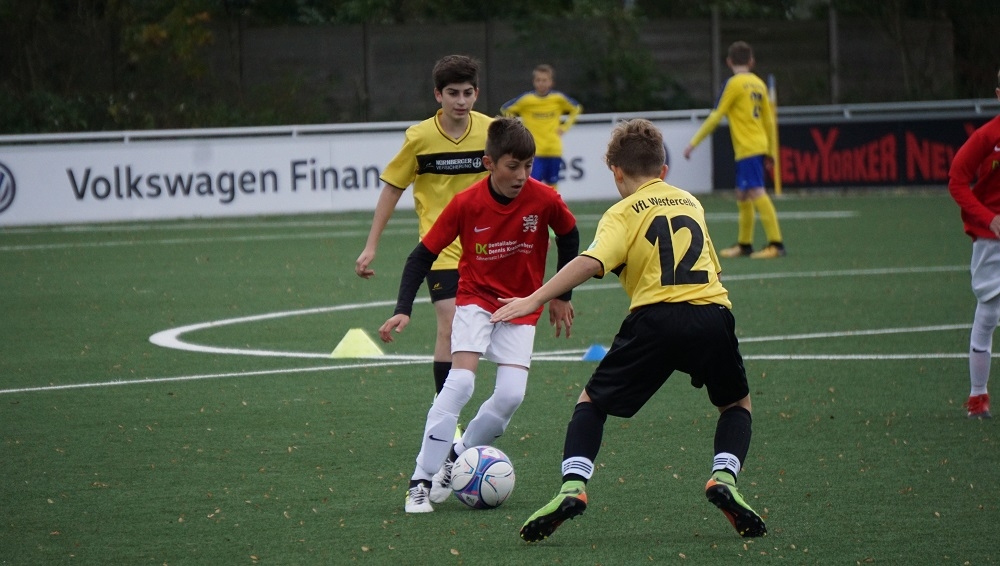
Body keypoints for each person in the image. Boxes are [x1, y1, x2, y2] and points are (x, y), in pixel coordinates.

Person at [492, 118, 767, 541]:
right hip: (712, 314)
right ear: (663, 170)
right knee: (736, 403)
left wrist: (534, 298)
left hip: (655, 320)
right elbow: (712, 268)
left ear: (616, 172)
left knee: (592, 403)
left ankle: (572, 487)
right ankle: (725, 477)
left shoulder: (621, 212)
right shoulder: (690, 201)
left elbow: (591, 261)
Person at [379, 117, 581, 513]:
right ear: (489, 163)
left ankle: (455, 457)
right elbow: (422, 255)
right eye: (512, 166)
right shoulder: (467, 203)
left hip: (522, 307)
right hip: (476, 300)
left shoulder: (544, 198)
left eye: (528, 166)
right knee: (460, 384)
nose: (521, 175)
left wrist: (561, 294)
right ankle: (420, 480)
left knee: (510, 396)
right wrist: (403, 309)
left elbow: (569, 235)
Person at [355, 55, 492, 398]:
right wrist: (371, 245)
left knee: (485, 329)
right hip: (440, 248)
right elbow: (392, 189)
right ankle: (445, 414)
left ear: (476, 93)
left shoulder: (493, 132)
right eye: (452, 93)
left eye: (467, 93)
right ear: (438, 95)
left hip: (489, 247)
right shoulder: (419, 137)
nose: (461, 101)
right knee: (450, 325)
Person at [683, 40, 786, 260]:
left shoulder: (733, 84)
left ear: (729, 62)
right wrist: (771, 151)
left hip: (748, 147)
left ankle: (776, 244)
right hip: (756, 145)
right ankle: (745, 244)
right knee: (743, 194)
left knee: (756, 191)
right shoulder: (759, 84)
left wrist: (694, 143)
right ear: (751, 61)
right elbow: (769, 120)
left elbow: (716, 115)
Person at [946, 70, 1000, 419]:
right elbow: (957, 181)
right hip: (992, 240)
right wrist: (989, 218)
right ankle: (978, 396)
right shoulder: (987, 136)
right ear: (998, 94)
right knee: (989, 311)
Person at [500, 64, 583, 191]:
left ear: (551, 82)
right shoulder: (527, 100)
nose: (541, 83)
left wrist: (565, 127)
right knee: (532, 184)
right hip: (534, 151)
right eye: (538, 80)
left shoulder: (557, 99)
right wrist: (518, 127)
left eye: (544, 80)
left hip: (553, 149)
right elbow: (505, 109)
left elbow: (576, 108)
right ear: (534, 82)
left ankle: (552, 205)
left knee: (552, 186)